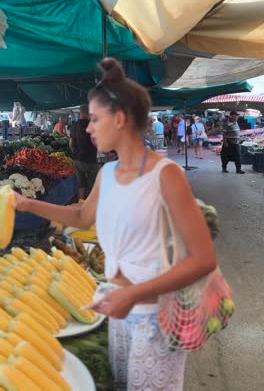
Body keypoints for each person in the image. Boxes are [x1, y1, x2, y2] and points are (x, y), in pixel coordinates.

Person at [15, 58, 216, 391]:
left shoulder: (165, 176)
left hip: (154, 316)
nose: (88, 128)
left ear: (120, 119)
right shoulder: (107, 173)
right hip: (116, 306)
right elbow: (82, 218)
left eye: (95, 119)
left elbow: (203, 259)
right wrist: (27, 203)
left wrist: (134, 294)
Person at [69, 104, 99, 199]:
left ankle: (80, 204)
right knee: (91, 185)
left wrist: (76, 152)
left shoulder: (74, 125)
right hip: (91, 160)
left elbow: (71, 144)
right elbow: (95, 143)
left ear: (80, 112)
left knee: (81, 185)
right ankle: (89, 207)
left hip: (77, 160)